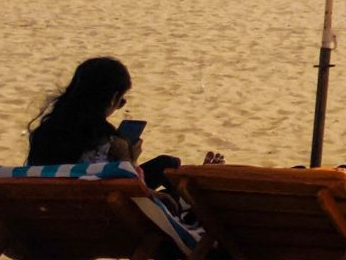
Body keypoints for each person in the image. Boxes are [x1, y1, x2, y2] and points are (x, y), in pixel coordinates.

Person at [26, 58, 223, 190]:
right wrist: (130, 158)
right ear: (112, 98)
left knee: (166, 164)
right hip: (103, 217)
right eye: (121, 101)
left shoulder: (43, 134)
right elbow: (133, 190)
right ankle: (201, 185)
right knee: (169, 167)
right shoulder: (110, 142)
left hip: (53, 216)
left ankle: (196, 183)